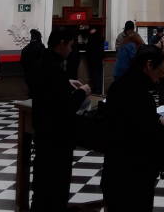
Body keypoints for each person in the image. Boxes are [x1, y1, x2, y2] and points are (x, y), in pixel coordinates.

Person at [102, 46, 164, 212]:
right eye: (160, 70)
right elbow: (143, 132)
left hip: (116, 172)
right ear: (148, 65)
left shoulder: (122, 84)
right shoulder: (138, 92)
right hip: (132, 176)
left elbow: (135, 117)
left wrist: (161, 120)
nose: (160, 76)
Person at [30, 28, 91, 212]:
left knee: (42, 184)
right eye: (71, 45)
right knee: (56, 185)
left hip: (43, 133)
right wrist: (82, 92)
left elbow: (49, 87)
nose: (72, 50)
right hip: (56, 136)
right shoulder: (54, 68)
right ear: (62, 43)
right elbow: (64, 106)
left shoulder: (45, 62)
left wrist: (66, 82)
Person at [20, 29, 46, 97]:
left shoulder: (26, 48)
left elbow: (22, 62)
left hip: (28, 75)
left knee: (31, 93)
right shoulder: (41, 47)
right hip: (39, 75)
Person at [85, 25, 104, 94]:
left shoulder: (91, 37)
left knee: (94, 75)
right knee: (98, 74)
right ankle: (99, 89)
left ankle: (96, 89)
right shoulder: (100, 36)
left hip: (92, 59)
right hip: (98, 59)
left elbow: (88, 48)